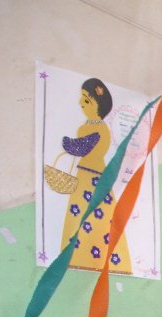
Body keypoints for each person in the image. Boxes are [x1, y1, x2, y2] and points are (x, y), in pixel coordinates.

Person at [58, 78, 131, 273]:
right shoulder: (88, 126)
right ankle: (76, 256)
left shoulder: (99, 128)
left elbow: (82, 147)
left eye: (87, 100)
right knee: (79, 214)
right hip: (84, 172)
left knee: (96, 215)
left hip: (94, 175)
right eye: (82, 98)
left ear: (99, 105)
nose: (81, 103)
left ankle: (96, 257)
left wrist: (67, 143)